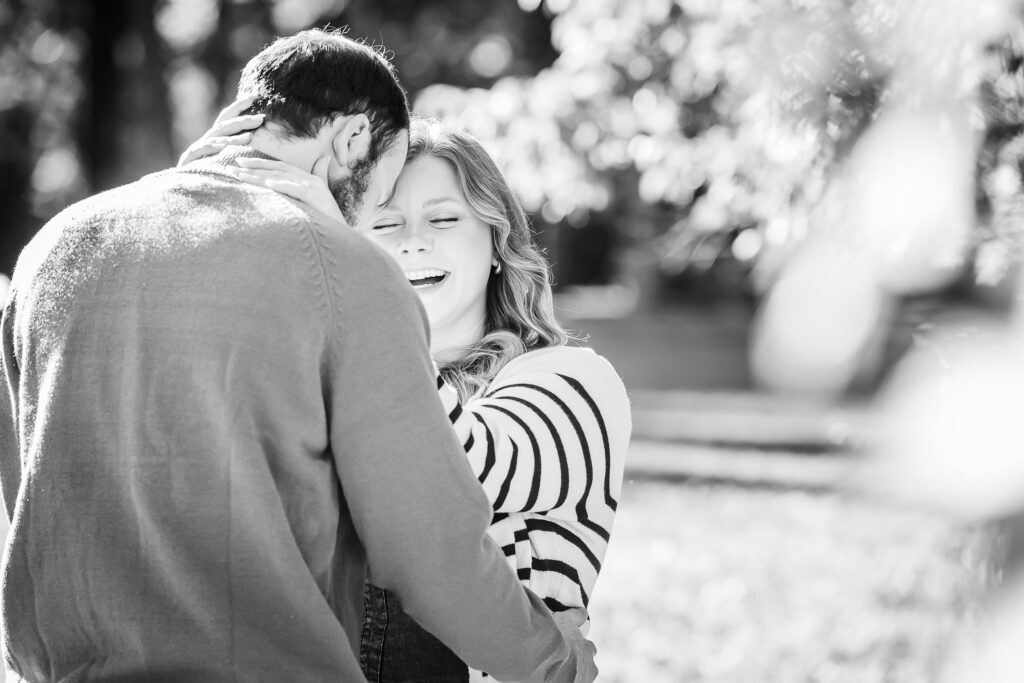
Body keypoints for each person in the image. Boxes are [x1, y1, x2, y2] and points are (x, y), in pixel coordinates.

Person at [0, 29, 596, 682]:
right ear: (350, 140)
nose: (370, 221)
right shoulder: (343, 268)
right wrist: (554, 656)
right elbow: (428, 548)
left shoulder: (53, 249)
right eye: (383, 189)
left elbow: (28, 490)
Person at [188, 114, 632, 681]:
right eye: (384, 224)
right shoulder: (335, 388)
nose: (413, 241)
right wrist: (194, 204)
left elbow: (453, 479)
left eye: (444, 218)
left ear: (498, 242)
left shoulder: (573, 381)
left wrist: (355, 277)